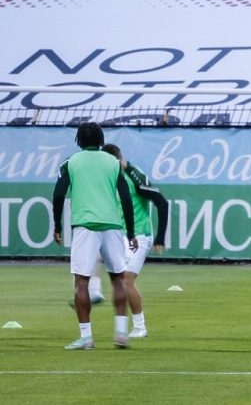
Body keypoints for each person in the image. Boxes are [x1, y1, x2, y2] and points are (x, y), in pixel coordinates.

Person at [50, 122, 137, 350]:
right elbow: (126, 198)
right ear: (101, 139)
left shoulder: (71, 162)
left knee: (82, 281)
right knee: (118, 278)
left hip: (85, 225)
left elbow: (58, 194)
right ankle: (121, 333)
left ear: (79, 140)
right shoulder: (113, 162)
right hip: (112, 225)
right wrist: (130, 232)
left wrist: (57, 225)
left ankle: (86, 338)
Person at [102, 144, 169, 339]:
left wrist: (160, 237)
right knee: (118, 281)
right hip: (118, 235)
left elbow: (162, 202)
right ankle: (123, 327)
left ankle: (140, 327)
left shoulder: (134, 174)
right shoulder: (109, 177)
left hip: (139, 235)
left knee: (126, 280)